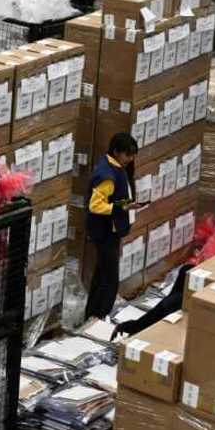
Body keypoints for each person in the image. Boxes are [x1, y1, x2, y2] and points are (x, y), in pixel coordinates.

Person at [85, 132, 142, 320]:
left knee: (102, 273)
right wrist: (120, 207)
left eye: (133, 155)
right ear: (116, 152)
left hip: (108, 231)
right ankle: (101, 315)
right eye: (128, 155)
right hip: (106, 232)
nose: (130, 159)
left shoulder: (113, 165)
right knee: (110, 278)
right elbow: (95, 205)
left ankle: (93, 314)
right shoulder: (108, 175)